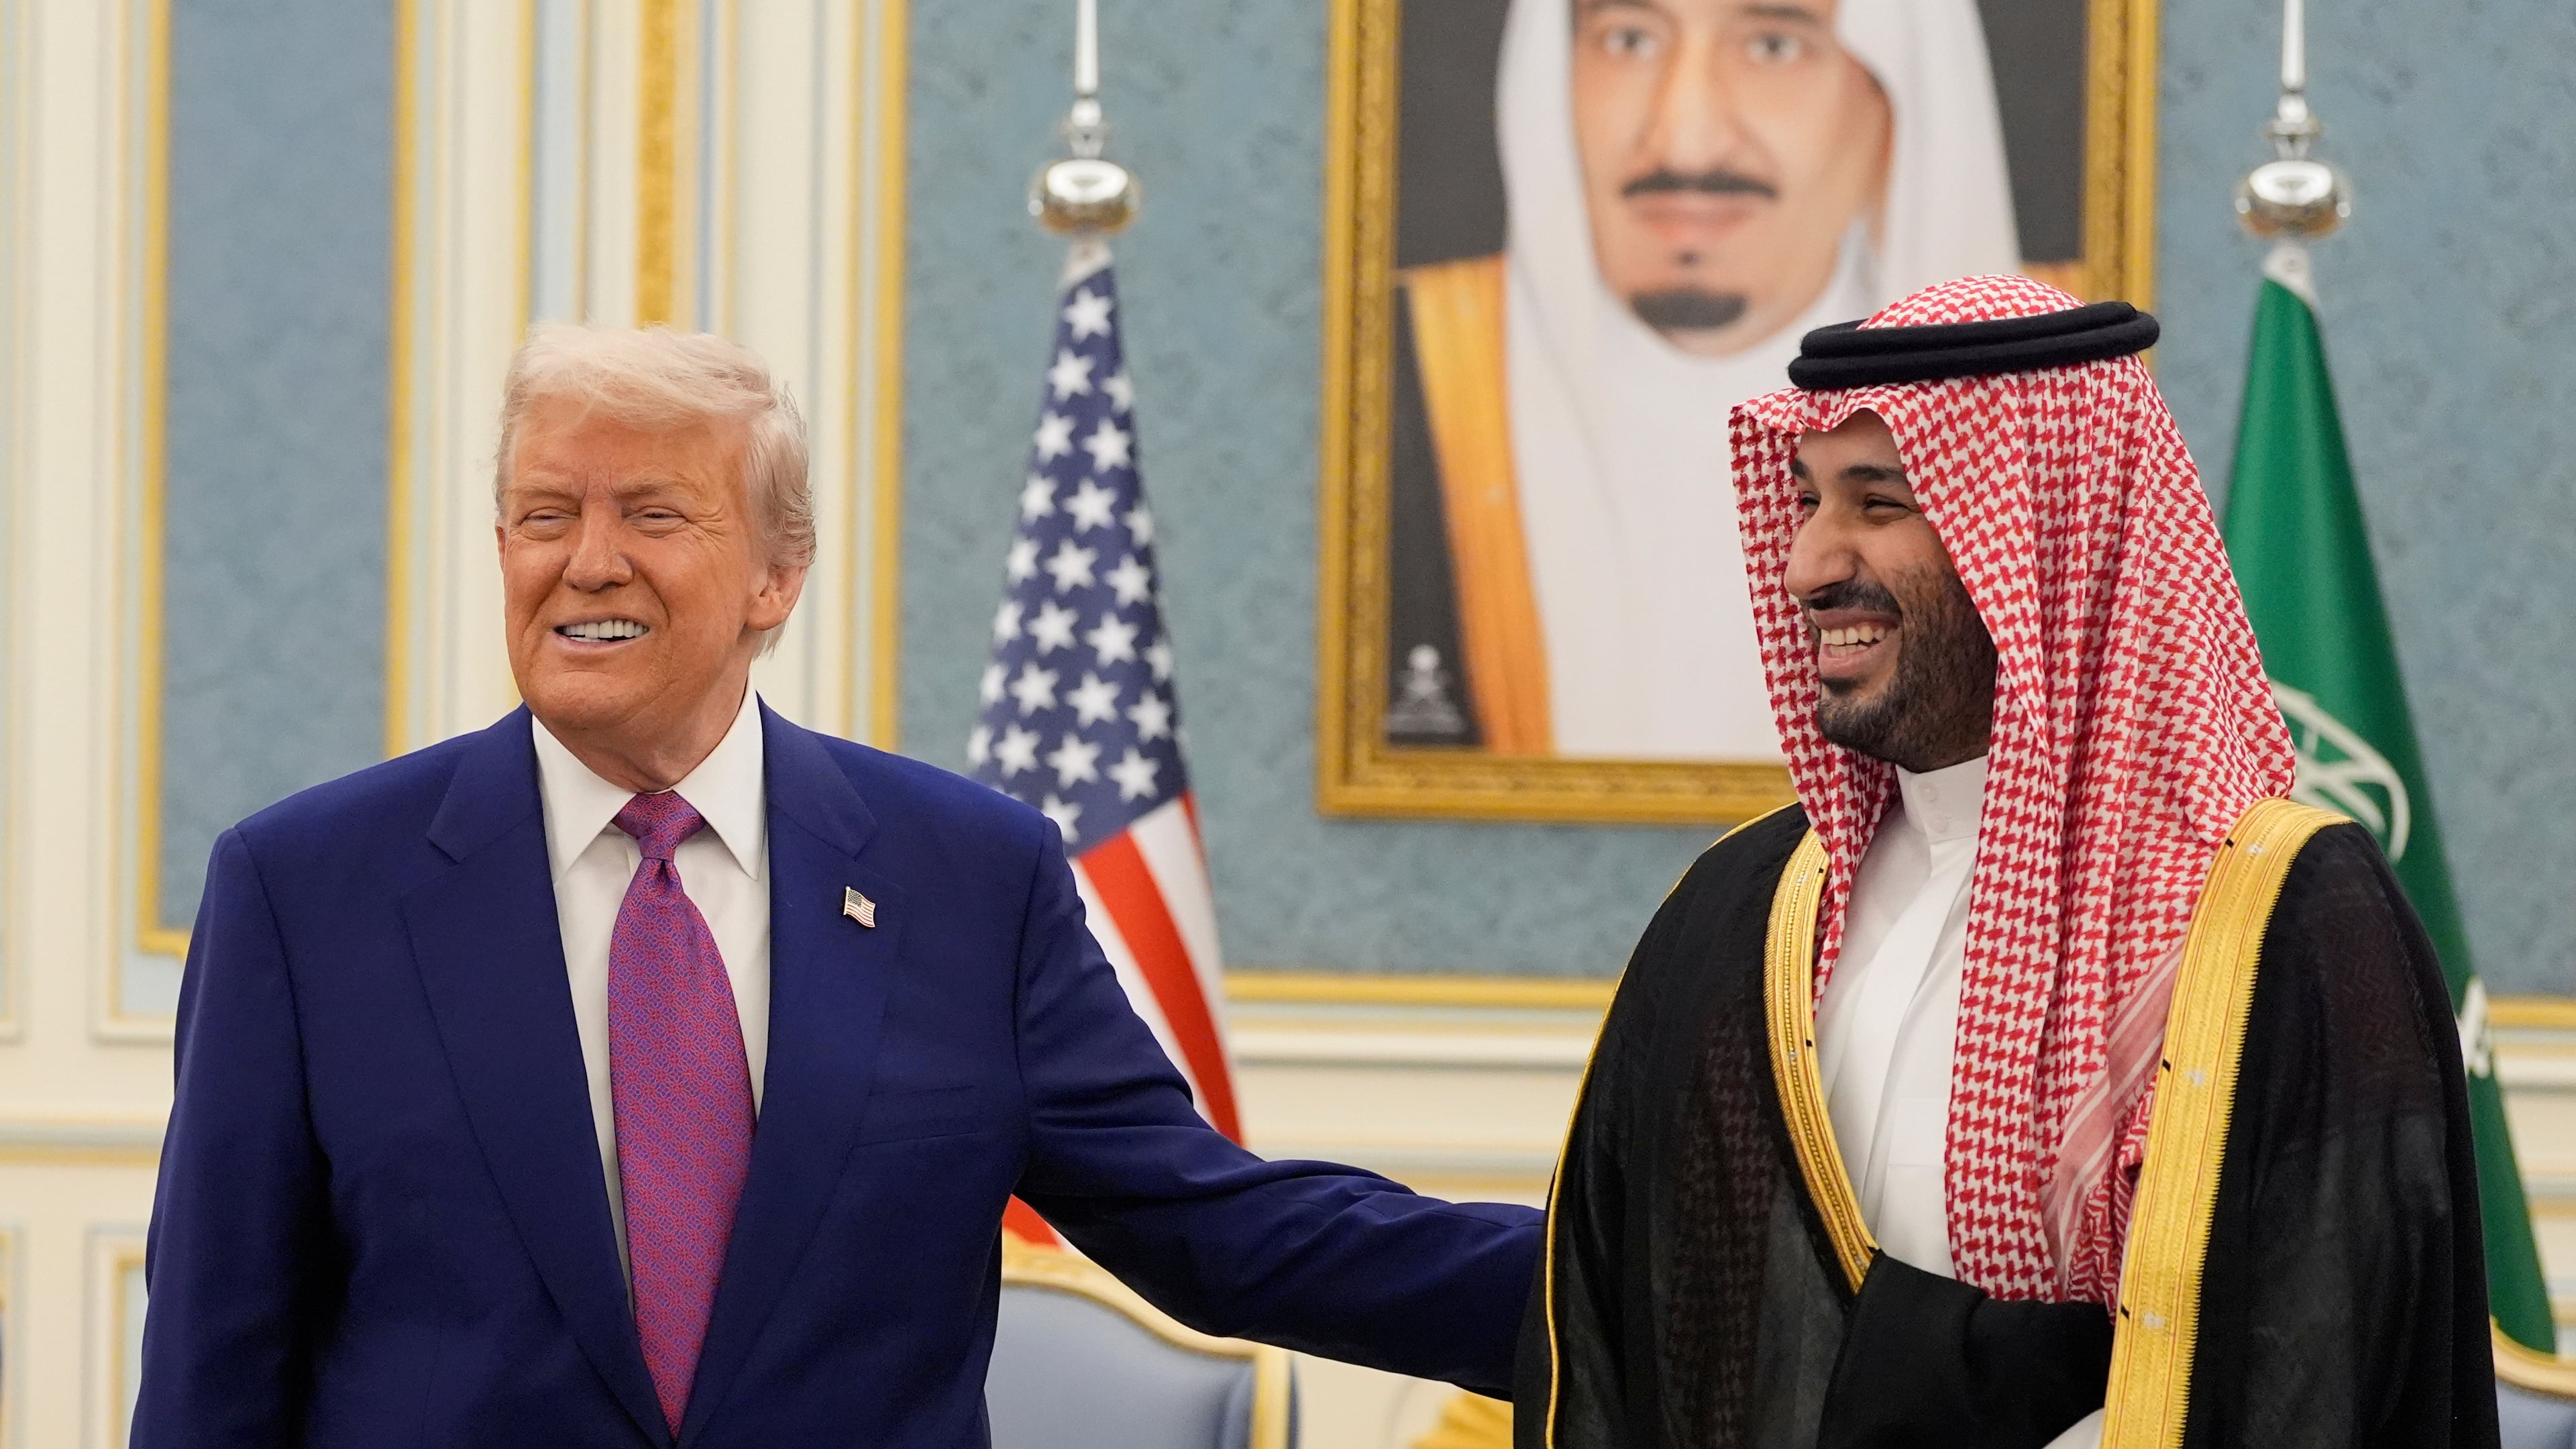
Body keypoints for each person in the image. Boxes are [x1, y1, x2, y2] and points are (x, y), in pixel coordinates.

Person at [133, 325, 1540, 1448]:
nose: (586, 561)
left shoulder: (969, 878)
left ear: (776, 576)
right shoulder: (308, 891)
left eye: (654, 513)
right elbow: (218, 1356)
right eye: (543, 513)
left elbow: (1216, 1227)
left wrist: (1638, 1278)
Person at [1517, 276, 2498, 1447]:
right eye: (1807, 501)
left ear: (2040, 533)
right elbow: (1630, 1315)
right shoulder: (1740, 916)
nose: (1809, 565)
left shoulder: (2281, 925)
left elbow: (2326, 1373)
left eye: (1878, 503)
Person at [1387, 0, 2019, 757]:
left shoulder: (2042, 399)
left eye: (1775, 45)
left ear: (1896, 93)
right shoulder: (1408, 372)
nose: (1685, 136)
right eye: (1629, 40)